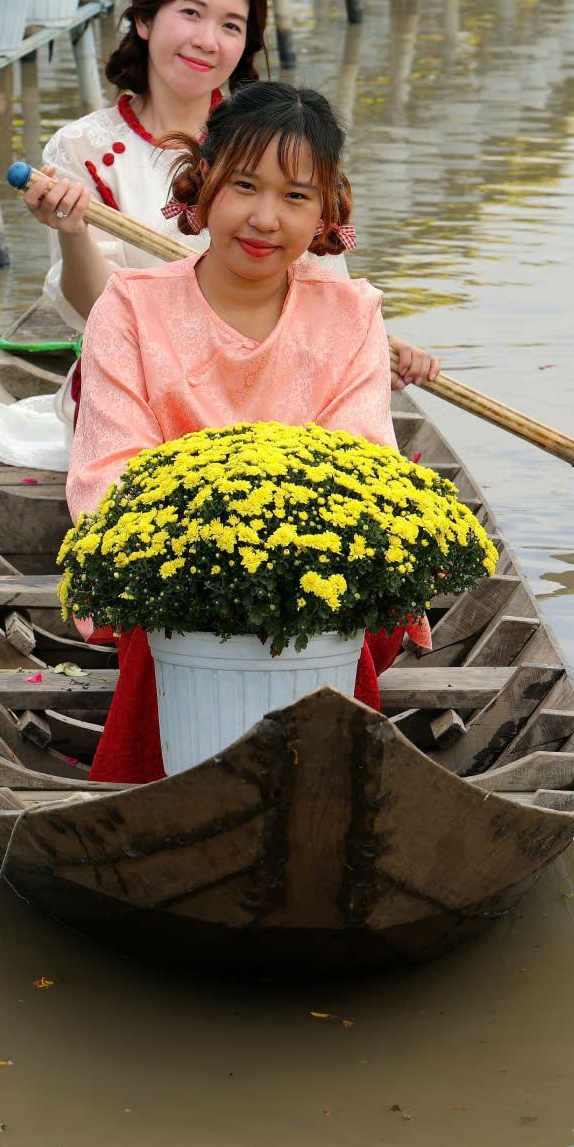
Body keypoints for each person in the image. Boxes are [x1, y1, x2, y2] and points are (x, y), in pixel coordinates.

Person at [67, 82, 431, 784]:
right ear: (200, 190)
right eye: (244, 185)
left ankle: (339, 783)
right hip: (172, 569)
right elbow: (107, 477)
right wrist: (216, 558)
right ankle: (149, 790)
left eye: (296, 196)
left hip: (315, 571)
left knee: (339, 613)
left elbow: (361, 470)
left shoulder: (353, 316)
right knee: (173, 625)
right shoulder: (130, 308)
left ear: (327, 213)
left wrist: (278, 559)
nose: (265, 218)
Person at [20, 0, 439, 387]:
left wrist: (372, 342)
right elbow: (95, 309)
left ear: (246, 46)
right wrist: (74, 233)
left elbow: (319, 275)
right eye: (191, 13)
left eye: (231, 26)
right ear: (144, 20)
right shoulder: (82, 148)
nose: (206, 41)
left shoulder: (279, 136)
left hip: (269, 375)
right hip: (139, 379)